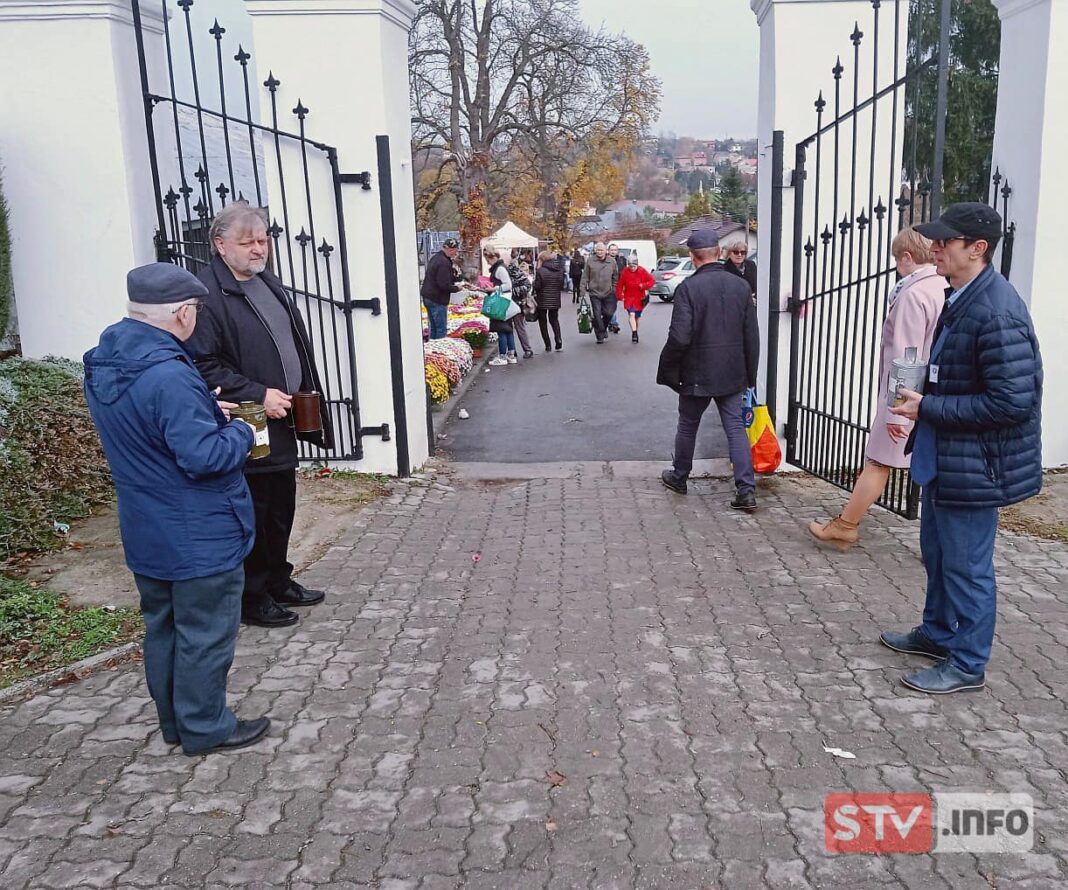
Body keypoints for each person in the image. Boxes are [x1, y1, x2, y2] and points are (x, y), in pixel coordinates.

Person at [83, 263, 270, 756]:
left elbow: (148, 428)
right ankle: (206, 727)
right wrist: (241, 432)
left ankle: (176, 723)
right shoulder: (168, 373)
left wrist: (207, 412)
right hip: (197, 530)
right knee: (205, 631)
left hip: (146, 524)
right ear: (183, 313)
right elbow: (203, 458)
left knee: (163, 625)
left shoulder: (106, 360)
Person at [883, 202, 1042, 695]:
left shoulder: (996, 311)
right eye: (934, 239)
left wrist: (930, 407)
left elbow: (1011, 403)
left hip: (977, 466)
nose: (934, 248)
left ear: (978, 249)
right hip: (947, 457)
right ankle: (935, 633)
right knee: (937, 552)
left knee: (967, 567)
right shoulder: (961, 295)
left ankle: (968, 662)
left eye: (945, 242)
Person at [188, 202, 335, 629]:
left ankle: (277, 579)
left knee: (280, 505)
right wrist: (258, 393)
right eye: (247, 242)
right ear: (219, 244)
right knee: (253, 509)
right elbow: (204, 365)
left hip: (283, 416)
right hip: (248, 420)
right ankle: (251, 597)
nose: (259, 249)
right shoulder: (207, 296)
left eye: (263, 240)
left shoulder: (264, 281)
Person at [809, 226, 946, 547]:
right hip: (933, 395)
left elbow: (905, 356)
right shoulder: (944, 286)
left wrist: (897, 413)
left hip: (906, 399)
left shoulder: (913, 295)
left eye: (898, 259)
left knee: (877, 462)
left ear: (908, 257)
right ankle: (938, 549)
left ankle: (845, 526)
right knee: (934, 474)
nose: (896, 266)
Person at [657, 228, 759, 510]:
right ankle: (746, 491)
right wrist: (751, 374)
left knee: (688, 425)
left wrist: (669, 371)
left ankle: (679, 477)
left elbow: (679, 337)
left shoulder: (688, 288)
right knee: (736, 429)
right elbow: (751, 335)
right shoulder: (741, 287)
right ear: (718, 253)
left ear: (692, 257)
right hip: (732, 372)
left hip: (696, 373)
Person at [421, 237, 463, 339]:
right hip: (437, 299)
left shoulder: (437, 257)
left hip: (429, 296)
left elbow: (444, 277)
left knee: (434, 328)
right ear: (451, 249)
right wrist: (457, 288)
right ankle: (440, 350)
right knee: (440, 329)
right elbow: (443, 285)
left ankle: (433, 348)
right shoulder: (443, 263)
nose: (455, 254)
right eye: (455, 251)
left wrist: (458, 278)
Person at [483, 247, 517, 365]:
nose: (487, 262)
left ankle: (502, 356)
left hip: (500, 303)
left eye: (487, 259)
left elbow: (508, 285)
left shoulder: (499, 269)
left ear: (490, 257)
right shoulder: (501, 267)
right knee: (508, 329)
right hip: (505, 302)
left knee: (501, 329)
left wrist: (493, 288)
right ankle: (511, 355)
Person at [582, 241, 619, 345]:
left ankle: (602, 327)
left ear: (606, 251)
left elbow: (615, 276)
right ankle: (600, 335)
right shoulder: (590, 261)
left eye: (602, 250)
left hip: (608, 292)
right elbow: (585, 276)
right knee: (597, 314)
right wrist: (582, 290)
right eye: (598, 250)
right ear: (595, 251)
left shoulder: (612, 261)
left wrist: (614, 288)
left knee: (609, 313)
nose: (600, 252)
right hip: (594, 293)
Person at [617, 253, 656, 343]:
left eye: (634, 266)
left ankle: (635, 330)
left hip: (639, 298)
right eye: (630, 266)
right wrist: (620, 295)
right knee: (631, 314)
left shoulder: (642, 271)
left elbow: (651, 281)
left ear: (637, 265)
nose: (632, 268)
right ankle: (634, 333)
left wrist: (643, 285)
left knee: (637, 317)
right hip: (629, 298)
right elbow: (620, 285)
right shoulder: (625, 272)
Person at [534, 249, 566, 352]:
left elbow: (537, 286)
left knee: (543, 322)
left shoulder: (540, 271)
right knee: (554, 320)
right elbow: (561, 285)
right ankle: (558, 339)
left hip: (542, 299)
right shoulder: (559, 270)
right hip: (555, 299)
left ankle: (548, 345)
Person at [507, 250, 535, 359]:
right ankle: (520, 350)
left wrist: (512, 292)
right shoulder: (514, 272)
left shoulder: (514, 272)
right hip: (514, 303)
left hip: (514, 303)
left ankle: (522, 350)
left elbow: (527, 286)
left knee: (516, 327)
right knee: (516, 328)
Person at [722, 236, 757, 305]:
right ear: (729, 253)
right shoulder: (724, 270)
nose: (739, 255)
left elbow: (757, 286)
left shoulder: (751, 265)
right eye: (736, 252)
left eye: (743, 252)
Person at [607, 243, 626, 333]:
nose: (613, 251)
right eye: (612, 250)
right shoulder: (605, 260)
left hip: (618, 287)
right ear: (608, 251)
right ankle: (613, 323)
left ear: (617, 251)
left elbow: (625, 273)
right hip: (606, 286)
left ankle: (611, 323)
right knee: (610, 305)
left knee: (612, 305)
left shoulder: (621, 260)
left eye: (615, 250)